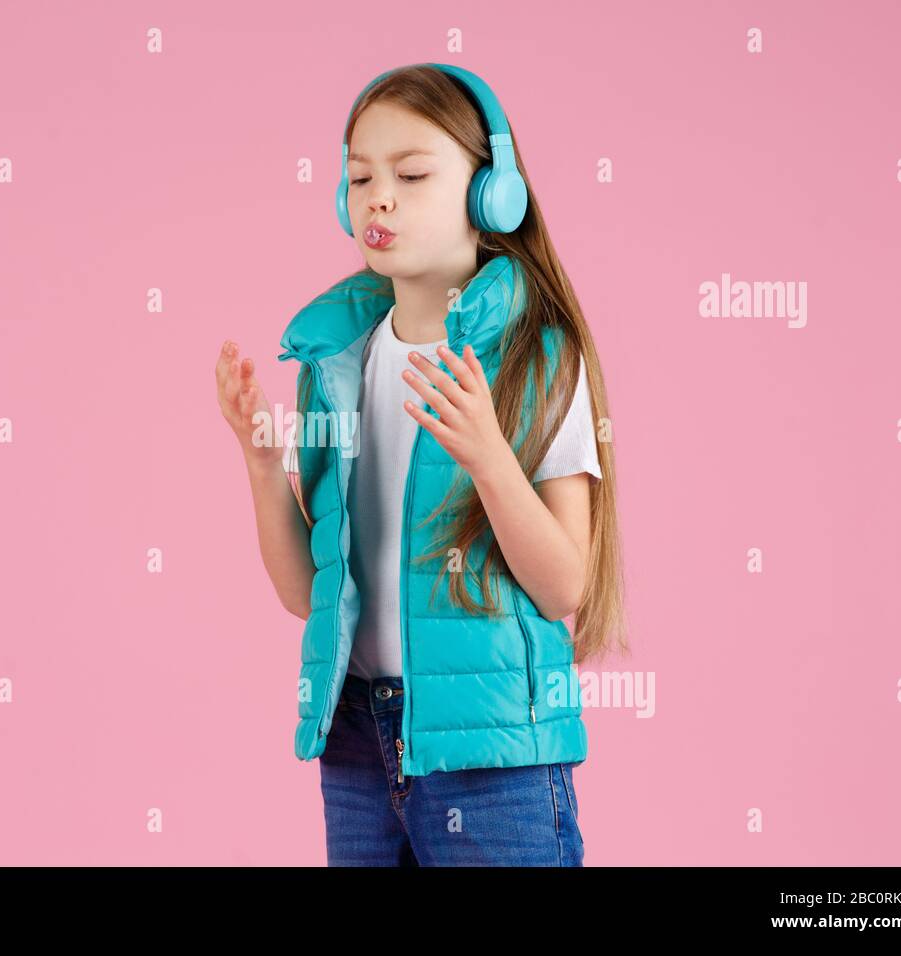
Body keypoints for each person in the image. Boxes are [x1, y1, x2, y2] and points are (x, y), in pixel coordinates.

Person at [214, 63, 628, 866]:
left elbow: (563, 585)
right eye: (359, 176)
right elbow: (309, 596)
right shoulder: (336, 358)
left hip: (493, 756)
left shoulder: (535, 359)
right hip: (359, 740)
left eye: (410, 174)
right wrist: (265, 470)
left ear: (491, 196)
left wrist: (487, 454)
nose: (379, 197)